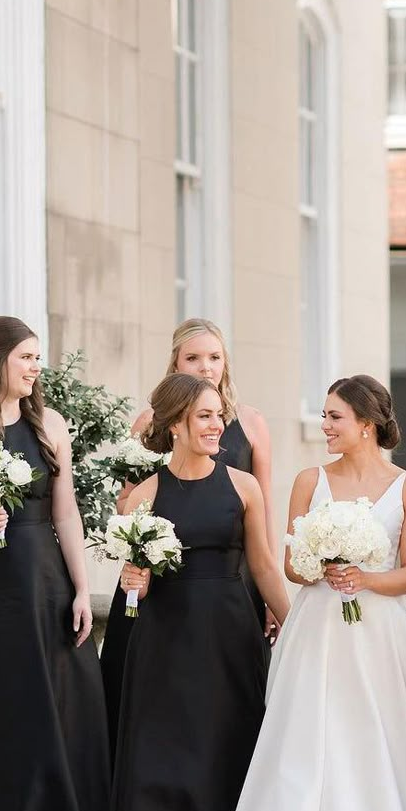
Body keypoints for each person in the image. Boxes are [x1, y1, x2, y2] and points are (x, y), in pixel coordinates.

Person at [212, 375, 406, 811]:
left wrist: (363, 577)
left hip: (383, 638)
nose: (325, 427)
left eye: (335, 417)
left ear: (367, 424)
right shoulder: (309, 481)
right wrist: (323, 567)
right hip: (318, 634)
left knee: (379, 751)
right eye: (324, 416)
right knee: (309, 749)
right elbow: (291, 565)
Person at [108, 374, 289, 811]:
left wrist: (297, 623)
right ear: (175, 424)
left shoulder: (243, 487)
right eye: (205, 417)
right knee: (163, 761)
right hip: (165, 640)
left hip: (229, 637)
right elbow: (129, 586)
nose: (217, 427)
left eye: (218, 416)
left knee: (225, 754)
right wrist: (133, 579)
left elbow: (262, 566)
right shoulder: (144, 495)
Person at [0, 316, 109, 811]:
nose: (36, 367)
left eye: (39, 357)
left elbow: (66, 512)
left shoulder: (49, 424)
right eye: (26, 356)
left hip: (42, 585)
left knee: (53, 709)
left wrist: (79, 587)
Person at [100, 318, 277, 765]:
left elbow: (262, 519)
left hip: (227, 581)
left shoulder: (251, 424)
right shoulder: (149, 424)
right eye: (193, 358)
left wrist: (275, 602)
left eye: (214, 357)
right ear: (175, 362)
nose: (205, 367)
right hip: (161, 589)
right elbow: (131, 511)